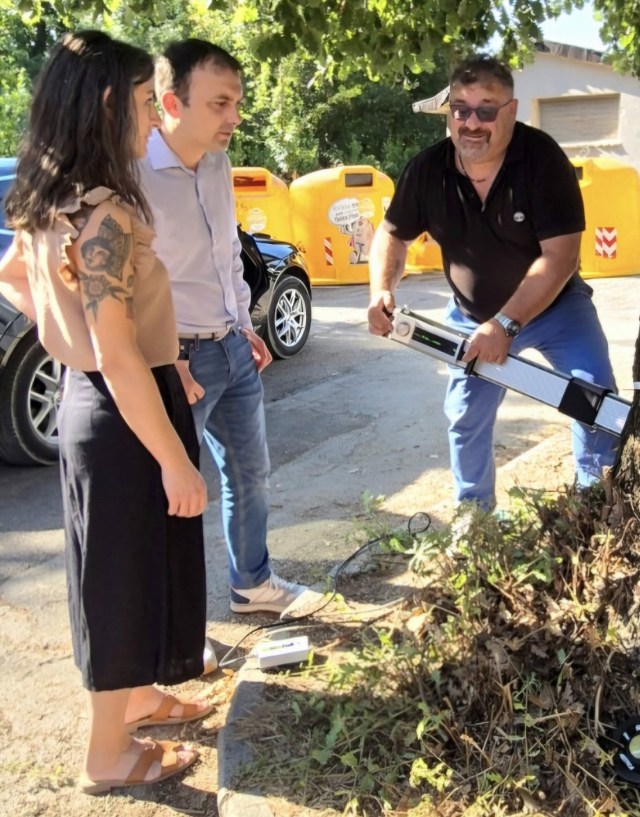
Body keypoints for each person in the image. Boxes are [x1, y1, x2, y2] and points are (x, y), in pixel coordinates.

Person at [0, 30, 209, 794]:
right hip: (125, 417)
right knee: (120, 583)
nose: (157, 119)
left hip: (106, 403)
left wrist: (84, 344)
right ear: (114, 102)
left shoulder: (46, 195)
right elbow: (115, 352)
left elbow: (14, 276)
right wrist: (175, 458)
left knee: (133, 571)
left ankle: (143, 701)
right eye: (151, 102)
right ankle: (107, 754)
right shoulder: (109, 211)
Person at [366, 55, 619, 515]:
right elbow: (392, 234)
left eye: (486, 109)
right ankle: (474, 517)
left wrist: (505, 323)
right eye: (460, 108)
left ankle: (594, 505)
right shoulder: (427, 170)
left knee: (595, 399)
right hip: (470, 315)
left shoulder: (542, 160)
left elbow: (561, 257)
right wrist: (381, 290)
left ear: (511, 110)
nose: (472, 122)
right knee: (465, 416)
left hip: (557, 309)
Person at [139, 38, 316, 619]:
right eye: (219, 103)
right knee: (169, 493)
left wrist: (245, 325)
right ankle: (168, 633)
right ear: (172, 101)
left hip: (233, 347)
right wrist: (164, 355)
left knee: (250, 475)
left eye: (236, 102)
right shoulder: (133, 170)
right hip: (176, 363)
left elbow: (224, 256)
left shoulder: (217, 167)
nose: (234, 117)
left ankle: (253, 587)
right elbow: (131, 281)